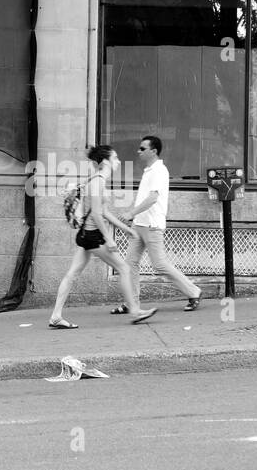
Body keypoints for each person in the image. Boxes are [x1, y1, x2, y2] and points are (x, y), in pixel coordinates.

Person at [49, 145, 158, 329]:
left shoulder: (97, 180)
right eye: (115, 158)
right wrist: (109, 239)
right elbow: (98, 215)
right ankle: (135, 310)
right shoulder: (98, 181)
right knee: (123, 268)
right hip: (93, 236)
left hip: (86, 235)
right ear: (106, 161)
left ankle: (56, 316)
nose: (118, 161)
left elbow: (104, 212)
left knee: (72, 274)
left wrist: (126, 229)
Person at [111, 135, 204, 314]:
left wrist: (130, 213)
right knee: (130, 265)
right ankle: (132, 304)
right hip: (140, 224)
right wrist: (134, 217)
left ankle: (194, 291)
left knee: (159, 265)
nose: (138, 151)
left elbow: (153, 198)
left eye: (142, 148)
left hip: (152, 225)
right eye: (139, 148)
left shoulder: (159, 171)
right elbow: (145, 198)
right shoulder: (148, 171)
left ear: (153, 151)